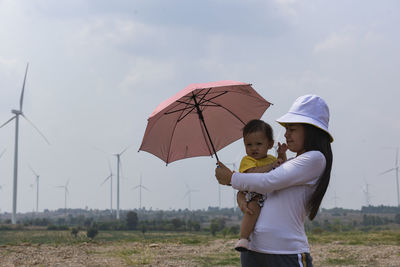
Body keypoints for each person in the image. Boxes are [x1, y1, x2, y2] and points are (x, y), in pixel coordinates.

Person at [215, 94, 333, 267]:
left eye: (292, 129)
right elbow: (260, 188)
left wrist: (232, 178)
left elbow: (268, 181)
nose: (286, 135)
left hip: (286, 252)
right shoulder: (288, 163)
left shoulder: (315, 159)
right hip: (254, 250)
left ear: (311, 130)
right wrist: (241, 197)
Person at [235, 119, 287, 252]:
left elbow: (282, 169)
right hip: (253, 195)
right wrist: (271, 166)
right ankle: (244, 238)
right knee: (252, 209)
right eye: (249, 144)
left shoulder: (271, 158)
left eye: (258, 144)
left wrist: (281, 155)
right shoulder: (247, 160)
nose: (253, 148)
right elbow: (251, 174)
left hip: (268, 193)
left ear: (270, 144)